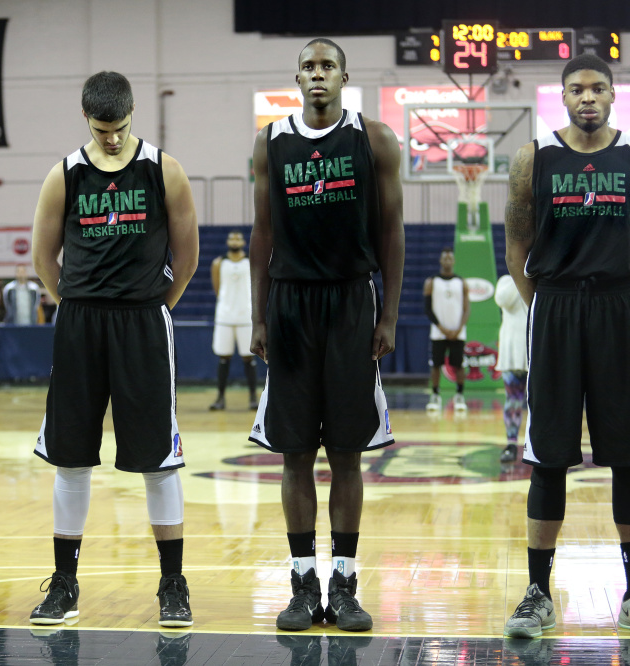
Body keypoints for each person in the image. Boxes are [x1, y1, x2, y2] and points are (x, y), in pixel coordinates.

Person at [503, 54, 630, 639]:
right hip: (553, 305)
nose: (588, 98)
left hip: (619, 305)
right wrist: (543, 305)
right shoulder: (534, 158)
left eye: (598, 88)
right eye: (577, 89)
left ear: (612, 95)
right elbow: (515, 246)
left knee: (629, 456)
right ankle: (537, 594)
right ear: (563, 95)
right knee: (549, 454)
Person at [29, 71, 199, 628]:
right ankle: (64, 585)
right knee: (71, 457)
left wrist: (154, 305)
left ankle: (172, 585)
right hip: (80, 324)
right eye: (102, 130)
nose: (111, 138)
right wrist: (73, 303)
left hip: (143, 323)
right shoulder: (64, 175)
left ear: (132, 115)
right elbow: (42, 257)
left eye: (120, 128)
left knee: (158, 460)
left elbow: (187, 256)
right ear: (87, 118)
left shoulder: (164, 170)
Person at [247, 39, 403, 632]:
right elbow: (262, 232)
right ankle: (301, 584)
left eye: (327, 67)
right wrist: (260, 315)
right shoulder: (270, 141)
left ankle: (343, 582)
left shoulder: (374, 138)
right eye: (309, 67)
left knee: (346, 454)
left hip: (350, 302)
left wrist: (387, 314)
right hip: (289, 303)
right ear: (297, 77)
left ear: (344, 76)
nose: (318, 75)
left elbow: (392, 230)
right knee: (294, 454)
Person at [209, 230, 258, 411]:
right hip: (225, 317)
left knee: (249, 357)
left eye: (238, 238)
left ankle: (253, 398)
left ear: (244, 242)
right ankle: (220, 398)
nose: (235, 241)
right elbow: (218, 289)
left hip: (246, 316)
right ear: (228, 241)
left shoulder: (251, 261)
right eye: (232, 238)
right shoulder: (218, 263)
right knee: (223, 357)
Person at [424, 247, 469, 412]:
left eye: (450, 258)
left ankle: (459, 396)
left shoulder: (461, 282)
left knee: (459, 365)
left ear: (454, 261)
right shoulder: (431, 282)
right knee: (436, 365)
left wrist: (458, 328)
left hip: (458, 332)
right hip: (438, 332)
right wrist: (443, 329)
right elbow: (428, 309)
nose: (448, 261)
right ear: (441, 261)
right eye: (445, 258)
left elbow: (467, 309)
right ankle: (435, 395)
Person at [494, 273, 528, 463]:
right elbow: (503, 300)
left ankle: (536, 445)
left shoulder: (541, 278)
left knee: (538, 405)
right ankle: (511, 444)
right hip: (511, 352)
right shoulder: (506, 281)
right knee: (512, 402)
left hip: (535, 351)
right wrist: (520, 274)